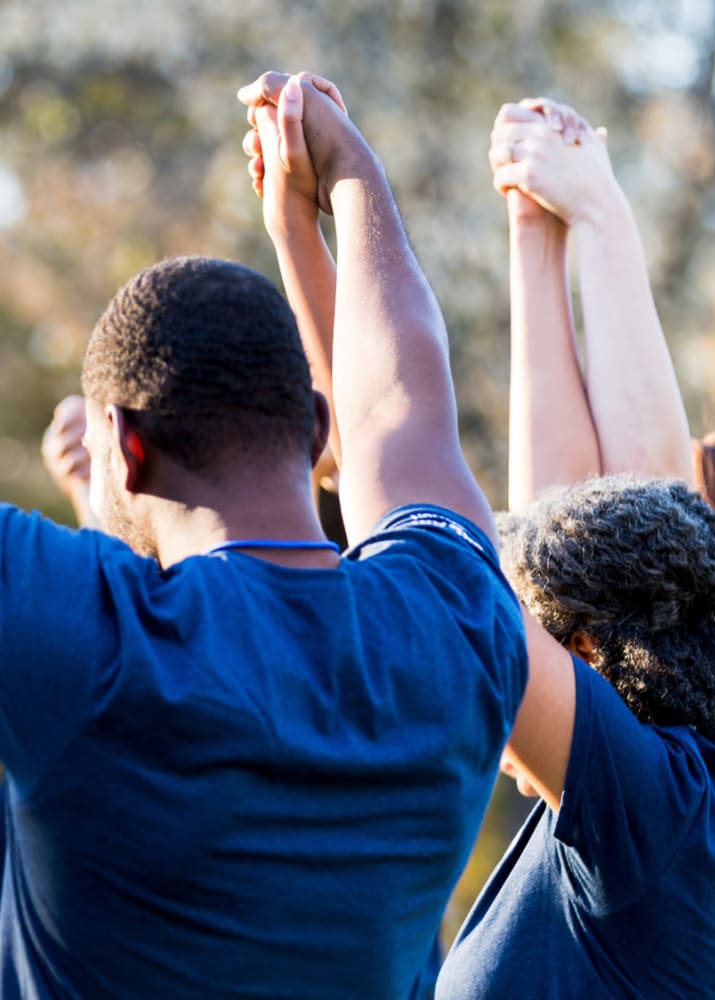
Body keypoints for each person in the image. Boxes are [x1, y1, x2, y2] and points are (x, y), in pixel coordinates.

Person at [0, 72, 527, 999]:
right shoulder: (453, 627)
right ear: (315, 430)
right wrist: (347, 168)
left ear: (125, 447)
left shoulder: (85, 639)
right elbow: (404, 410)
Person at [485, 96, 715, 996]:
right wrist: (531, 231)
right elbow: (566, 550)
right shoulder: (714, 748)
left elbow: (620, 534)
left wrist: (601, 223)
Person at [435, 474, 715, 998]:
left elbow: (444, 575)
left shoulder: (649, 812)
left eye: (540, 650)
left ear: (585, 651)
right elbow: (587, 539)